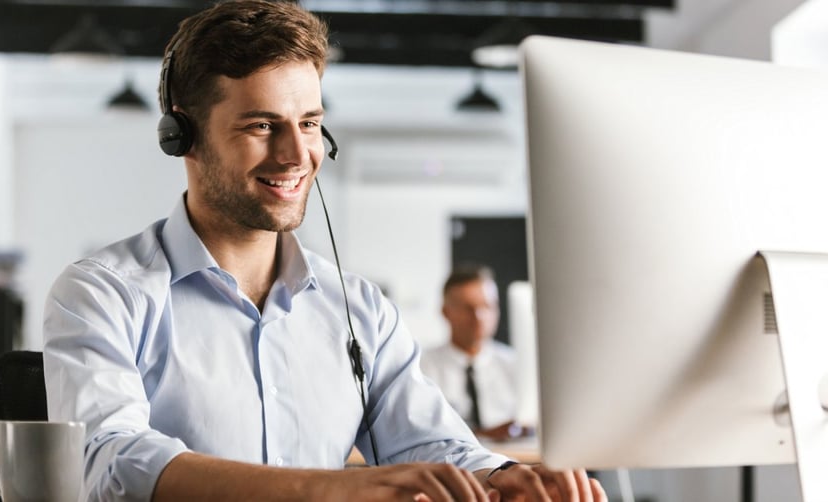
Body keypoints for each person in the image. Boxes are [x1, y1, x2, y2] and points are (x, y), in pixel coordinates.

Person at [42, 1, 606, 500]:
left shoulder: (360, 308)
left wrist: (499, 476)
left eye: (309, 123)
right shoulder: (101, 292)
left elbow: (430, 441)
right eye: (262, 125)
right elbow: (109, 462)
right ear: (182, 137)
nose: (296, 154)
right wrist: (326, 488)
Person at [421, 265, 529, 442]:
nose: (479, 316)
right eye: (467, 308)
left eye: (487, 306)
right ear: (445, 312)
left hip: (514, 460)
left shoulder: (516, 365)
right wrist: (481, 435)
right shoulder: (423, 367)